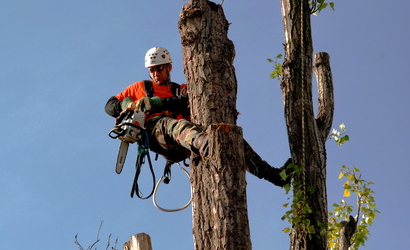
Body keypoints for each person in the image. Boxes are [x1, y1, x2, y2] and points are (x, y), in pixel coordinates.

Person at [105, 47, 290, 187]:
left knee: (236, 140)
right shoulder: (141, 88)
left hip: (186, 142)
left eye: (158, 69)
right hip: (158, 136)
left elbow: (187, 100)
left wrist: (159, 103)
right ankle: (208, 147)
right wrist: (125, 104)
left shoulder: (181, 89)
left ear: (168, 67)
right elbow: (109, 105)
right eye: (151, 70)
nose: (155, 74)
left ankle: (275, 176)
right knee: (172, 124)